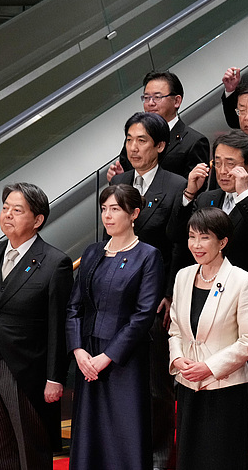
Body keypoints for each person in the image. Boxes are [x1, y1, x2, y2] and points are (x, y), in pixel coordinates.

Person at [0, 182, 73, 470]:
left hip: (28, 370)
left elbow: (58, 325)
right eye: (5, 208)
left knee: (30, 449)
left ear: (37, 220)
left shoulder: (54, 262)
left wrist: (55, 377)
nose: (8, 215)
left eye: (17, 210)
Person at [66, 184, 163, 470]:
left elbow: (144, 314)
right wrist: (78, 351)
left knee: (124, 432)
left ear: (134, 213)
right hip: (87, 355)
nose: (107, 216)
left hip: (124, 359)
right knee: (88, 431)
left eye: (115, 209)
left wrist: (107, 357)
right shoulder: (93, 252)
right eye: (104, 209)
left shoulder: (148, 255)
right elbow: (73, 306)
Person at [110, 111, 187, 469]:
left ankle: (158, 458)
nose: (134, 147)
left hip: (155, 297)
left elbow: (178, 248)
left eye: (142, 140)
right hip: (118, 297)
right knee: (121, 380)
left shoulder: (175, 185)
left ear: (159, 145)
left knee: (157, 387)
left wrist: (169, 293)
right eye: (129, 139)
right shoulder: (119, 182)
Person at [168, 207, 248, 470]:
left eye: (204, 237)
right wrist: (178, 359)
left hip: (225, 387)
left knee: (220, 458)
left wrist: (209, 367)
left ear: (223, 242)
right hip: (187, 383)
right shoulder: (183, 276)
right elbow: (175, 329)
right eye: (191, 236)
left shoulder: (243, 281)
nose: (196, 245)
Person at [183, 129, 248, 300]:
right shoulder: (206, 198)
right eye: (217, 162)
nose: (223, 171)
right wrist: (189, 194)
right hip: (208, 291)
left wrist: (243, 194)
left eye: (230, 164)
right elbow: (178, 237)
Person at [108, 70, 209, 181]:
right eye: (146, 98)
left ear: (177, 101)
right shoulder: (135, 136)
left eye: (157, 97)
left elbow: (195, 189)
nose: (150, 103)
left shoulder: (194, 141)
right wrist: (121, 179)